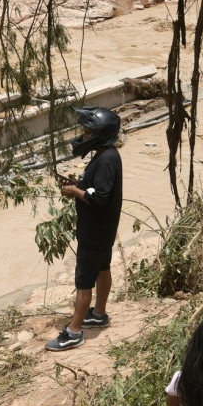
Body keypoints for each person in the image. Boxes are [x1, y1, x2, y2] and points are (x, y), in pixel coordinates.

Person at [47, 106, 123, 352]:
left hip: (94, 232)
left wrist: (75, 192)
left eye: (87, 133)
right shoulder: (106, 156)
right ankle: (98, 314)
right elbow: (99, 191)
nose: (83, 137)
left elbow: (99, 198)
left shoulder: (106, 160)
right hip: (104, 231)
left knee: (83, 281)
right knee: (103, 269)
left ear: (100, 135)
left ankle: (74, 332)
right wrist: (78, 186)